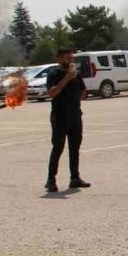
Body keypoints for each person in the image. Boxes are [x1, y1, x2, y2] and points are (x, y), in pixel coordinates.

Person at [44, 48, 90, 193]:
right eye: (67, 58)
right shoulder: (53, 74)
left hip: (75, 116)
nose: (70, 60)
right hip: (60, 116)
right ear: (59, 59)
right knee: (58, 148)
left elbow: (83, 90)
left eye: (71, 58)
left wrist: (77, 98)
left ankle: (75, 178)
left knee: (75, 148)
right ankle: (51, 180)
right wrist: (66, 79)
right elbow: (51, 93)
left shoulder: (76, 74)